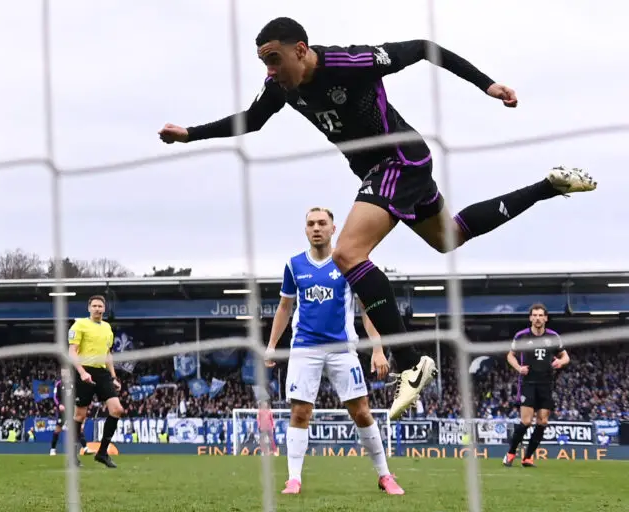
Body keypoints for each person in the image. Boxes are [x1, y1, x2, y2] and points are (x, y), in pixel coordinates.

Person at [158, 17, 597, 420]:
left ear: (300, 49)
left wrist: (487, 85)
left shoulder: (349, 62)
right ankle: (548, 187)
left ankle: (411, 363)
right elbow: (251, 121)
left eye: (273, 59)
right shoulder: (281, 88)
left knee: (347, 253)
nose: (269, 71)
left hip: (398, 159)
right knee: (449, 237)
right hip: (382, 172)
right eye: (263, 63)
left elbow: (424, 47)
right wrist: (190, 135)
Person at [264, 207, 403, 495]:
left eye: (322, 223)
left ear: (333, 228)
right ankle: (294, 479)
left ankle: (385, 476)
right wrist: (271, 345)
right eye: (311, 224)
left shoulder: (347, 262)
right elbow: (284, 307)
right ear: (305, 230)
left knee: (362, 412)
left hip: (342, 349)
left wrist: (378, 349)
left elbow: (367, 309)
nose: (316, 228)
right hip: (304, 348)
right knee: (300, 412)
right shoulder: (294, 265)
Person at [503, 304, 569, 467]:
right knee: (526, 421)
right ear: (530, 318)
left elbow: (565, 355)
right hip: (528, 383)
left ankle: (528, 457)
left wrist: (561, 362)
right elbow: (510, 355)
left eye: (541, 315)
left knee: (542, 422)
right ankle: (510, 454)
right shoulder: (522, 336)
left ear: (546, 318)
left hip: (546, 384)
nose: (538, 318)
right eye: (535, 315)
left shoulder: (553, 337)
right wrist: (519, 368)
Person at [69, 295, 125, 468]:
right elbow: (72, 351)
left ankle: (102, 453)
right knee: (80, 415)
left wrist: (113, 377)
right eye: (94, 306)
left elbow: (108, 354)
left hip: (102, 373)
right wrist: (82, 372)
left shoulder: (107, 328)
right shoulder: (79, 325)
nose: (97, 309)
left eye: (100, 306)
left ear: (104, 308)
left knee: (117, 410)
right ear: (89, 308)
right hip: (83, 370)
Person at [49, 368, 94, 459]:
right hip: (63, 410)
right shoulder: (59, 384)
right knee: (58, 429)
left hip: (73, 409)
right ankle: (52, 449)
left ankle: (85, 448)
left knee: (78, 429)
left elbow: (78, 395)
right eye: (63, 372)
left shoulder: (73, 383)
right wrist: (59, 405)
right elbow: (55, 397)